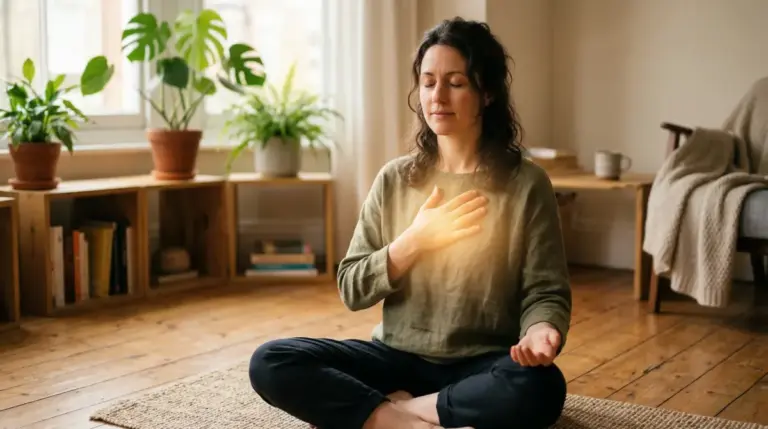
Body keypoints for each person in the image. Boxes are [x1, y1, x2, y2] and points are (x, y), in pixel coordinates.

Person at [248, 17, 572, 429]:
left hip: (481, 362)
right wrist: (415, 241)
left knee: (542, 387)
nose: (437, 96)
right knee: (271, 360)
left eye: (455, 82)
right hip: (394, 357)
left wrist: (541, 329)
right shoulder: (394, 179)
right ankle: (409, 419)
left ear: (487, 92)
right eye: (428, 81)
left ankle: (394, 411)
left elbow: (546, 289)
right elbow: (351, 285)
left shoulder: (527, 183)